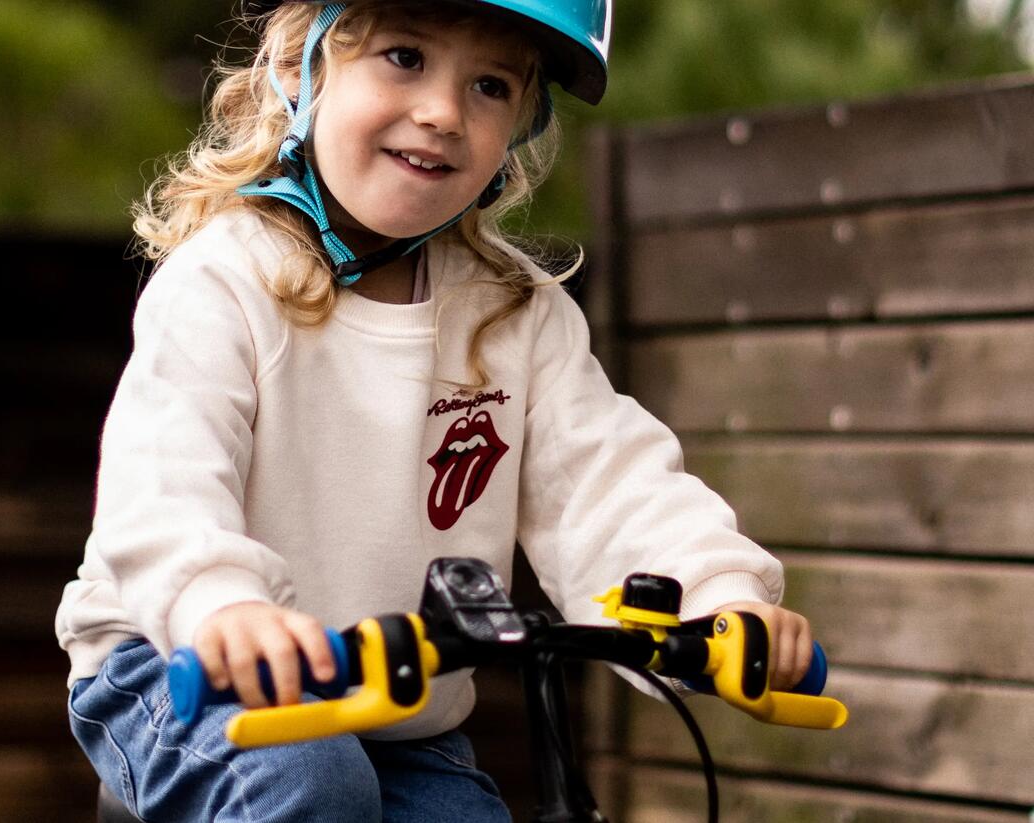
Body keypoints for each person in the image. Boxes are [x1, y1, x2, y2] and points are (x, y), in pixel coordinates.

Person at [53, 1, 815, 821]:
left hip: (396, 707)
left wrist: (716, 599)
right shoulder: (225, 282)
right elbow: (162, 480)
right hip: (177, 661)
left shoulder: (515, 315)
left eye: (489, 85)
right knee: (309, 782)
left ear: (519, 127)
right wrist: (220, 604)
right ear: (297, 63)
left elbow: (610, 484)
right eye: (405, 57)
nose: (444, 113)